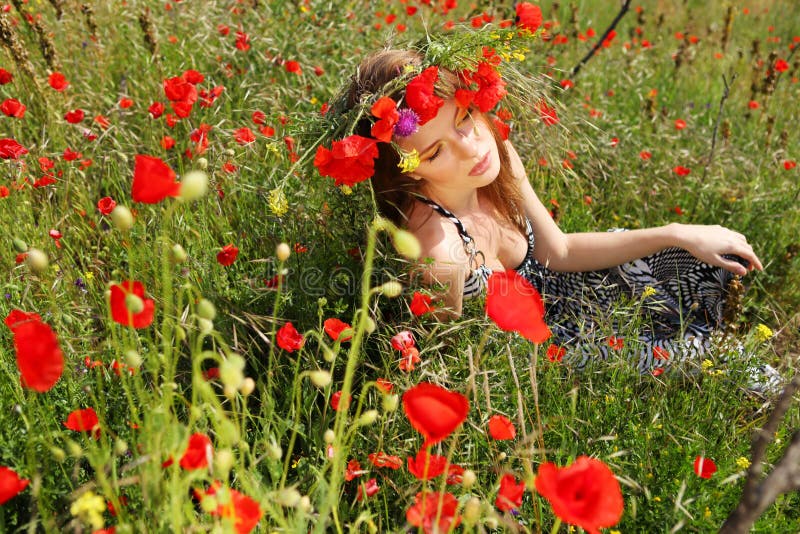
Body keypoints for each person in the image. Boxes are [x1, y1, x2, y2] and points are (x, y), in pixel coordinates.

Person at [317, 47, 780, 389]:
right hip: (552, 354)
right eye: (438, 151)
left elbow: (559, 251)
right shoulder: (438, 252)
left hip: (574, 293)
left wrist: (676, 232)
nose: (471, 148)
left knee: (694, 261)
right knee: (711, 360)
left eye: (465, 119)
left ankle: (716, 346)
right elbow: (456, 370)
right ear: (407, 172)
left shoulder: (496, 153)